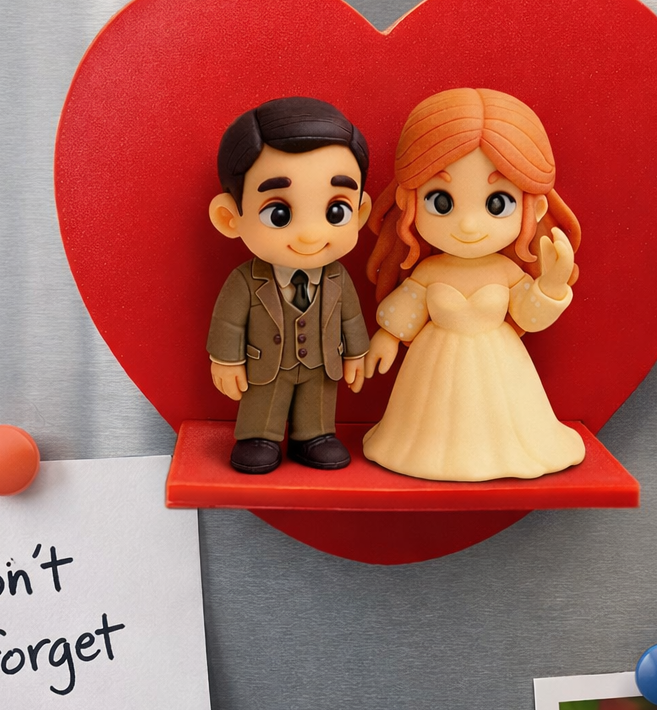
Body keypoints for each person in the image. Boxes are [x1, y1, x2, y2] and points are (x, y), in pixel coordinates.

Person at [362, 87, 586, 481]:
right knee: (424, 431)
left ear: (535, 208)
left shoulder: (506, 272)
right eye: (441, 202)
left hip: (502, 372)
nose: (467, 225)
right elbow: (408, 305)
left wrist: (550, 285)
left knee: (506, 428)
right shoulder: (429, 273)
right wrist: (387, 337)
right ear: (407, 200)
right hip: (430, 373)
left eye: (497, 203)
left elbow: (528, 316)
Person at [207, 97, 372, 474]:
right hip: (266, 364)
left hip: (322, 362)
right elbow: (228, 323)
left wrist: (356, 353)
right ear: (230, 218)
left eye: (335, 211)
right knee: (264, 399)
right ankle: (258, 437)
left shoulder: (337, 277)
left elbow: (351, 318)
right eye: (279, 213)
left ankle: (314, 435)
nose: (310, 234)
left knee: (318, 402)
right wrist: (226, 360)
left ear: (360, 212)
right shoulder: (246, 280)